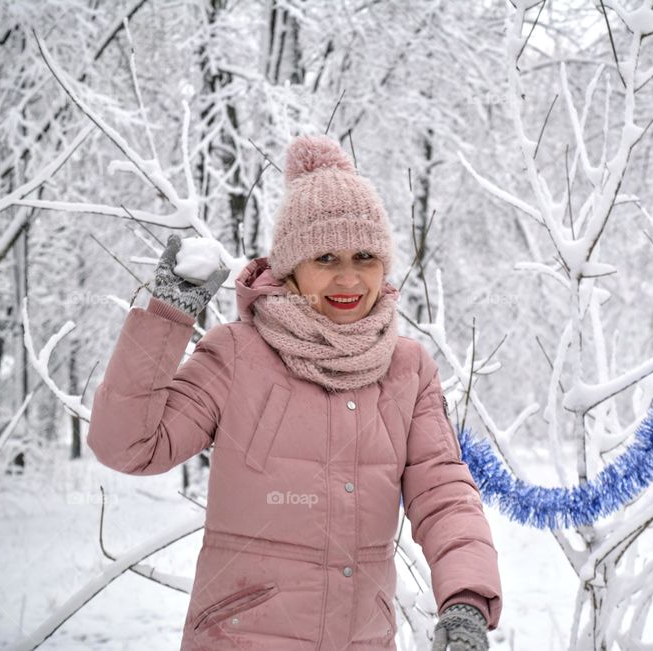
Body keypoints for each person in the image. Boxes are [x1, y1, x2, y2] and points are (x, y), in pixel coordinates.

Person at [87, 135, 502, 650]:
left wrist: (465, 599)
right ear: (291, 267)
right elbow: (127, 446)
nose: (348, 277)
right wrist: (168, 315)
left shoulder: (406, 369)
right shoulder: (238, 354)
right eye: (325, 257)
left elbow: (442, 493)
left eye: (365, 256)